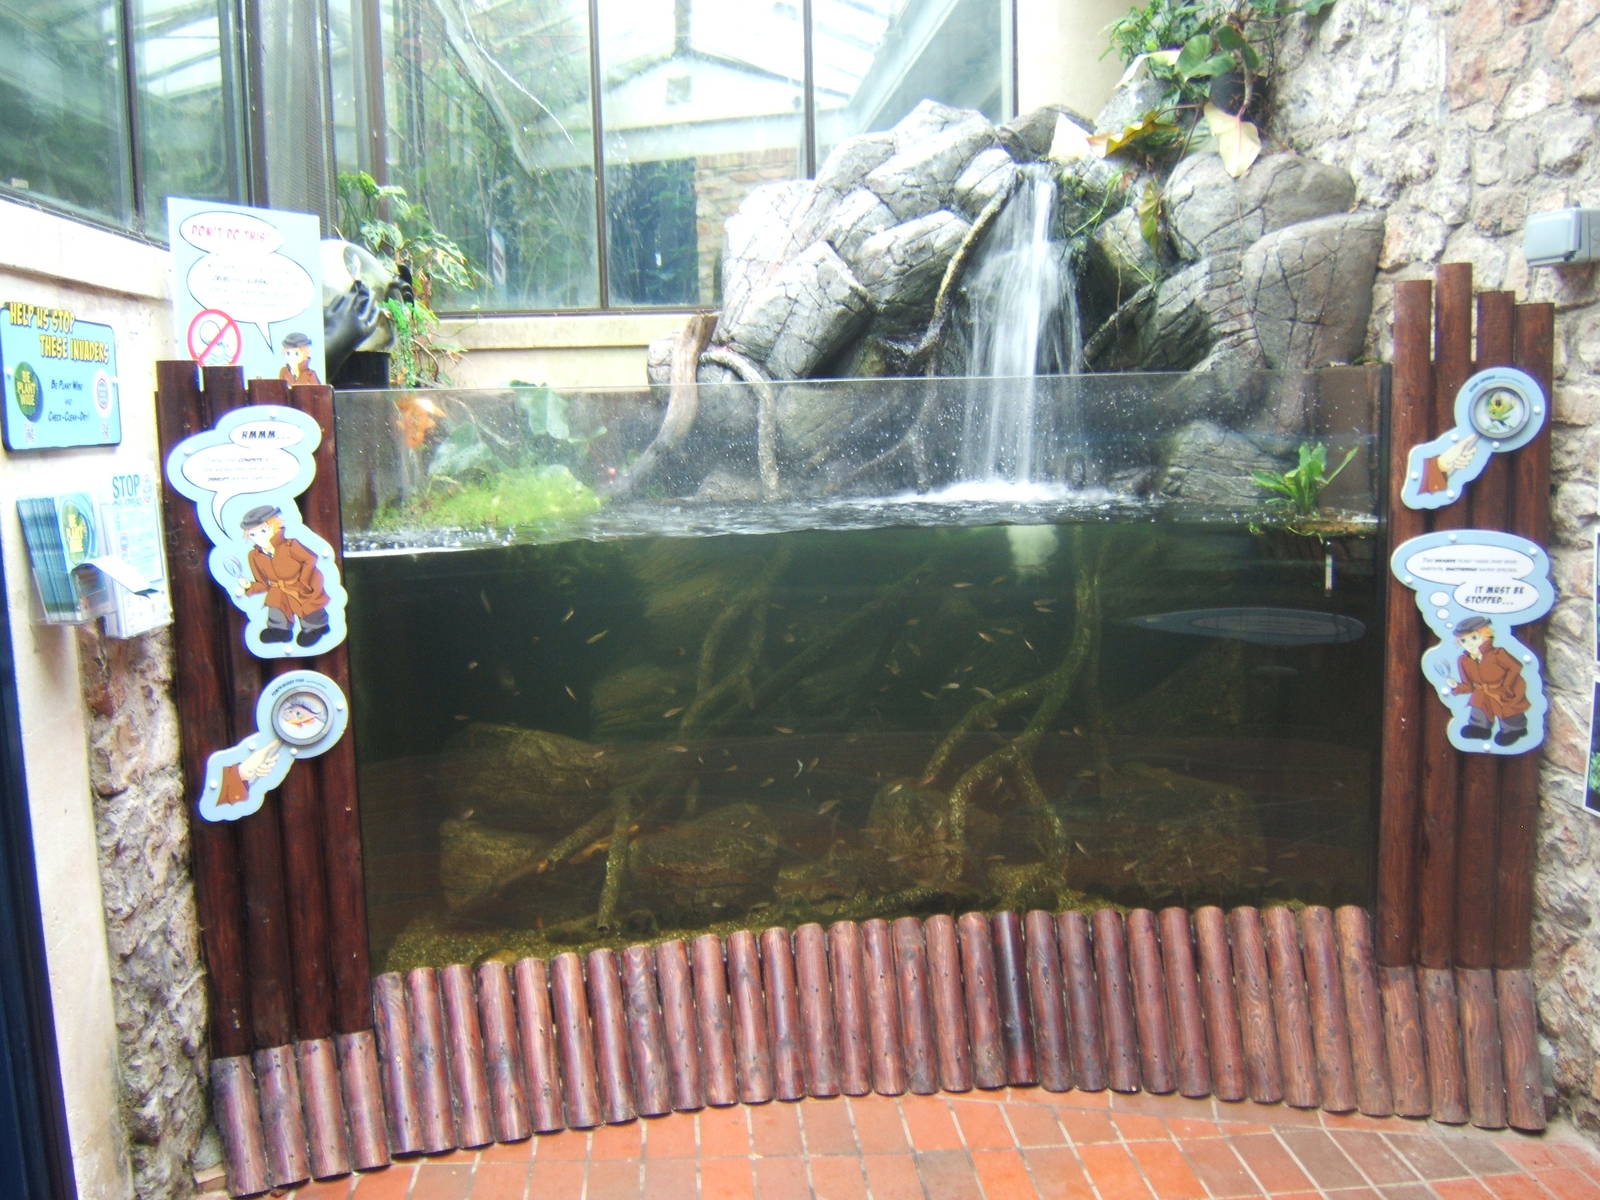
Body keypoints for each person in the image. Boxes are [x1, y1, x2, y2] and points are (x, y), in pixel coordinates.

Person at [237, 504, 331, 646]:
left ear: (275, 527)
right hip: (279, 589)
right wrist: (249, 586)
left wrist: (303, 580)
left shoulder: (290, 546)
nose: (259, 537)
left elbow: (310, 558)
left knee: (308, 606)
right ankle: (280, 630)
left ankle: (316, 627)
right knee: (276, 603)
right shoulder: (254, 556)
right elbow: (262, 583)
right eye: (253, 534)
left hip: (301, 584)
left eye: (263, 531)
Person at [1449, 615, 1529, 746]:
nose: (1469, 643)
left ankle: (1514, 730)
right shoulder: (1464, 660)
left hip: (1503, 689)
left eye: (1474, 638)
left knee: (1508, 710)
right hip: (1482, 691)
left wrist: (1506, 685)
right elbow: (1468, 685)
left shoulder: (1497, 654)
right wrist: (1456, 687)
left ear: (1485, 635)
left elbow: (1515, 666)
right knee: (1479, 706)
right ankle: (1480, 728)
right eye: (1463, 640)